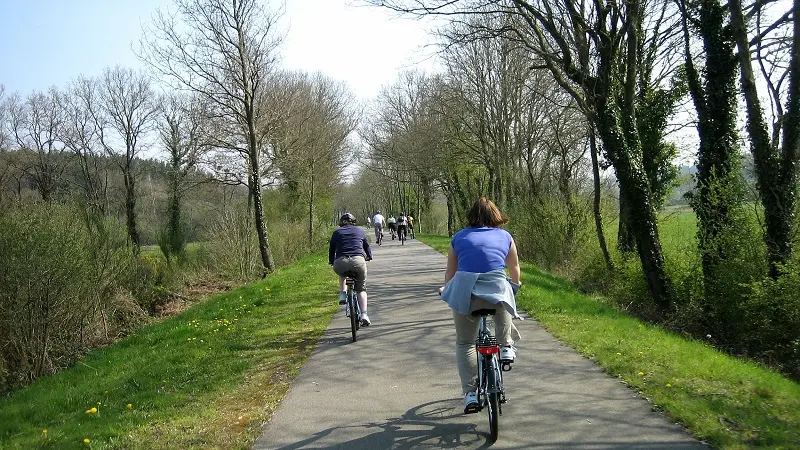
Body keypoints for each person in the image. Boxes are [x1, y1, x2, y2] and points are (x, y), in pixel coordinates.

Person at [439, 197, 521, 414]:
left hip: (468, 294)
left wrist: (447, 288)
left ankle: (470, 394)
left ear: (471, 216)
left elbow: (451, 272)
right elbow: (514, 267)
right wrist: (514, 286)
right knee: (503, 293)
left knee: (465, 343)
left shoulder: (459, 237)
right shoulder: (505, 236)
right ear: (495, 215)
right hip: (495, 291)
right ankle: (505, 347)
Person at [330, 212, 373, 326]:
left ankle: (343, 293)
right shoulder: (359, 231)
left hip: (341, 262)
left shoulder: (337, 232)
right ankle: (364, 314)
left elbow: (332, 249)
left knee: (342, 272)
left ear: (341, 223)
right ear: (353, 222)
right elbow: (366, 246)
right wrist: (369, 256)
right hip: (358, 261)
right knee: (361, 289)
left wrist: (331, 261)